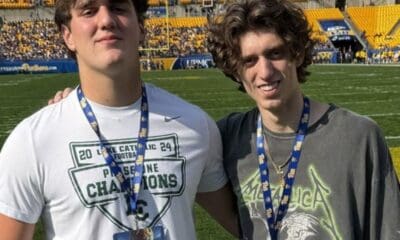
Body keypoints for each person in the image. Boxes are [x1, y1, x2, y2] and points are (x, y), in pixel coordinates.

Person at [0, 0, 239, 239]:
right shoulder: (32, 140)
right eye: (89, 11)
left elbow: (251, 225)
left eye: (118, 8)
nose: (105, 21)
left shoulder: (194, 125)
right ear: (68, 35)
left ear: (142, 28)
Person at [207, 0, 400, 239]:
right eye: (250, 60)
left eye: (275, 53)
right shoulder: (226, 137)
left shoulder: (358, 136)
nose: (265, 72)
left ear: (297, 54)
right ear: (236, 70)